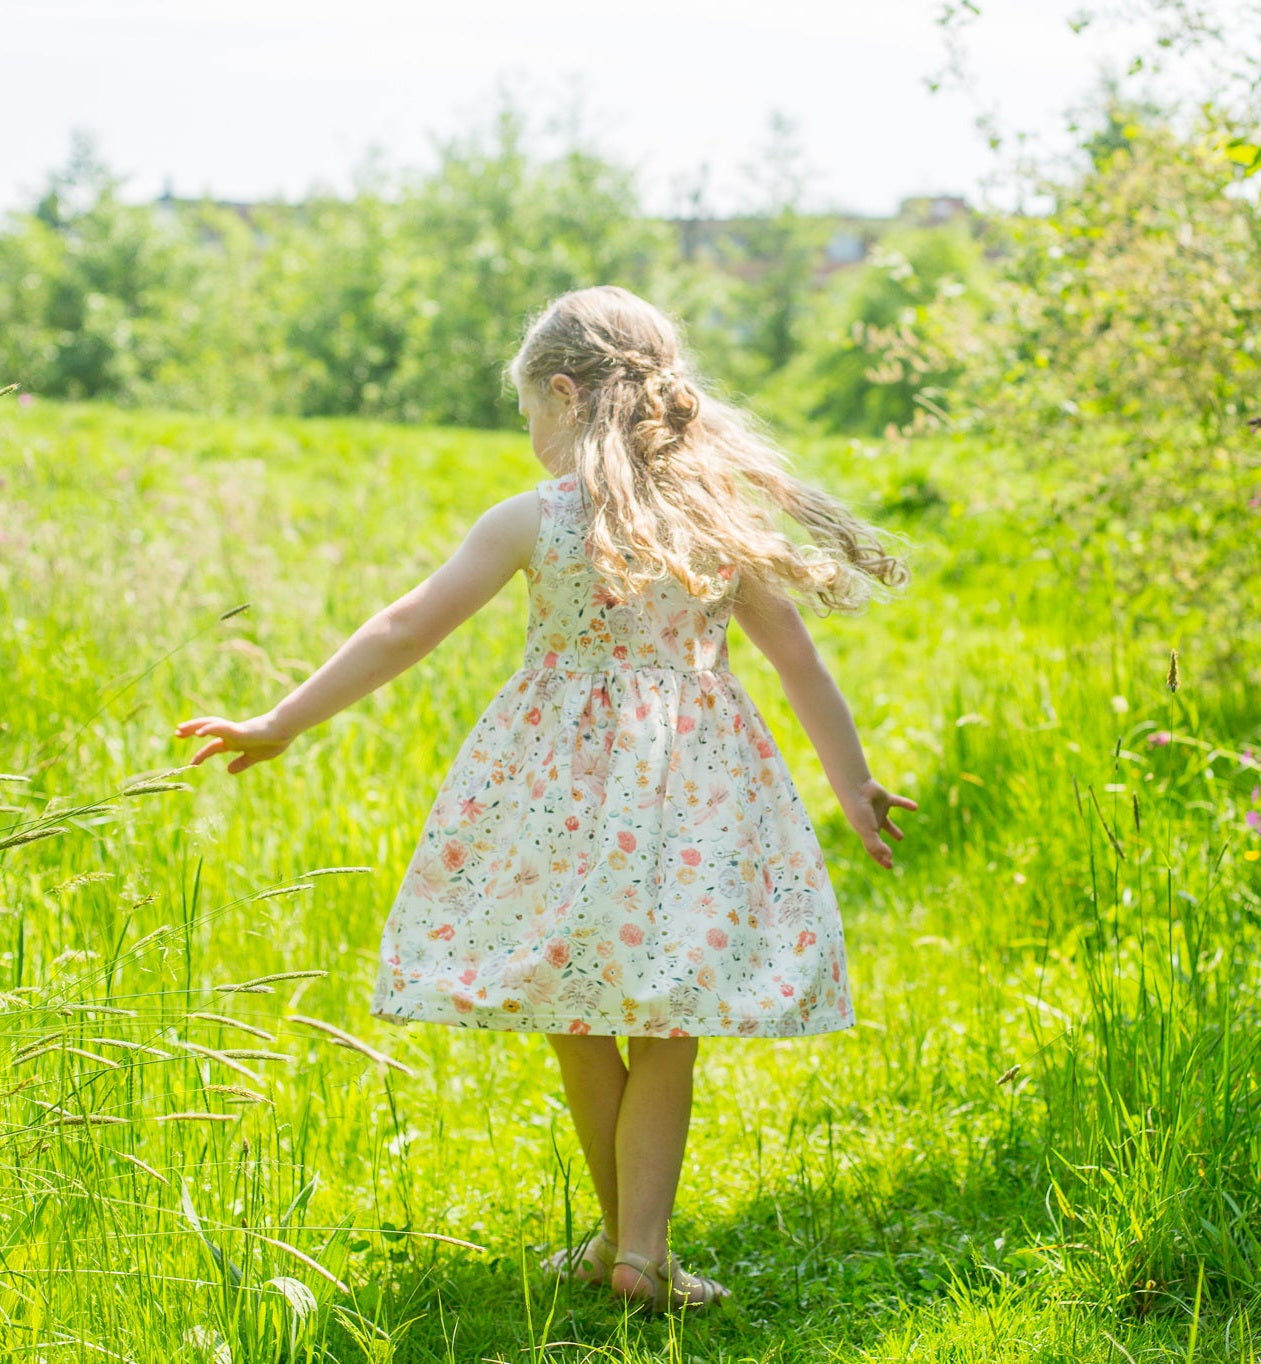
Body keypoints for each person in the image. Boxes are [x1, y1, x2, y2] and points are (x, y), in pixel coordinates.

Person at [174, 284, 918, 1314]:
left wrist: (282, 719)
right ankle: (637, 1248)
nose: (527, 430)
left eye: (527, 410)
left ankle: (626, 1243)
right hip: (692, 791)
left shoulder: (534, 518)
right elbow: (796, 660)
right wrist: (852, 782)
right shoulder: (713, 521)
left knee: (576, 1007)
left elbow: (402, 627)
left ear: (564, 394)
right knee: (665, 1025)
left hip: (552, 789)